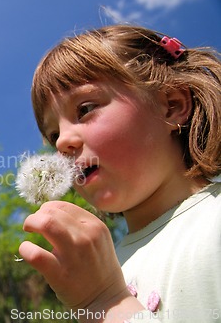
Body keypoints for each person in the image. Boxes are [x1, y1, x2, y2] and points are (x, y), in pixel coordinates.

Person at [18, 24, 221, 322]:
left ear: (172, 105)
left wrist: (107, 301)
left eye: (85, 108)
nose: (61, 142)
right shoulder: (100, 268)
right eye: (53, 135)